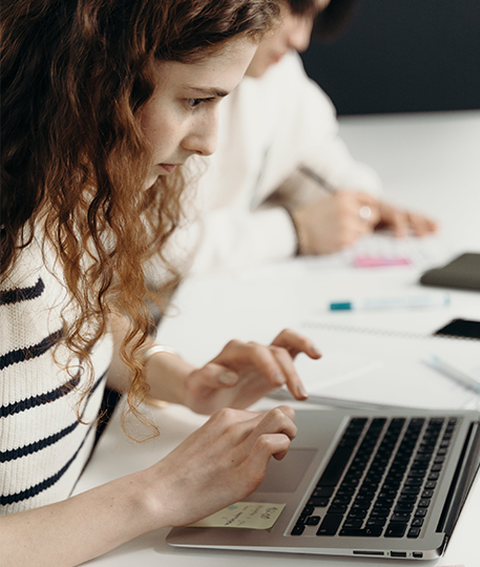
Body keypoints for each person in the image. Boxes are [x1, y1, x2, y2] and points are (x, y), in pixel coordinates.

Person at [0, 1, 321, 565]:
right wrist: (160, 493)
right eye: (195, 101)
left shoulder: (71, 184)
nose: (209, 141)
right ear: (94, 77)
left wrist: (184, 380)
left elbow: (75, 317)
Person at [165, 0, 438, 276]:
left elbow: (315, 155)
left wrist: (361, 204)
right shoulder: (170, 68)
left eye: (314, 16)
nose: (301, 39)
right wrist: (296, 231)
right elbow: (153, 252)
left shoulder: (279, 74)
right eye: (297, 10)